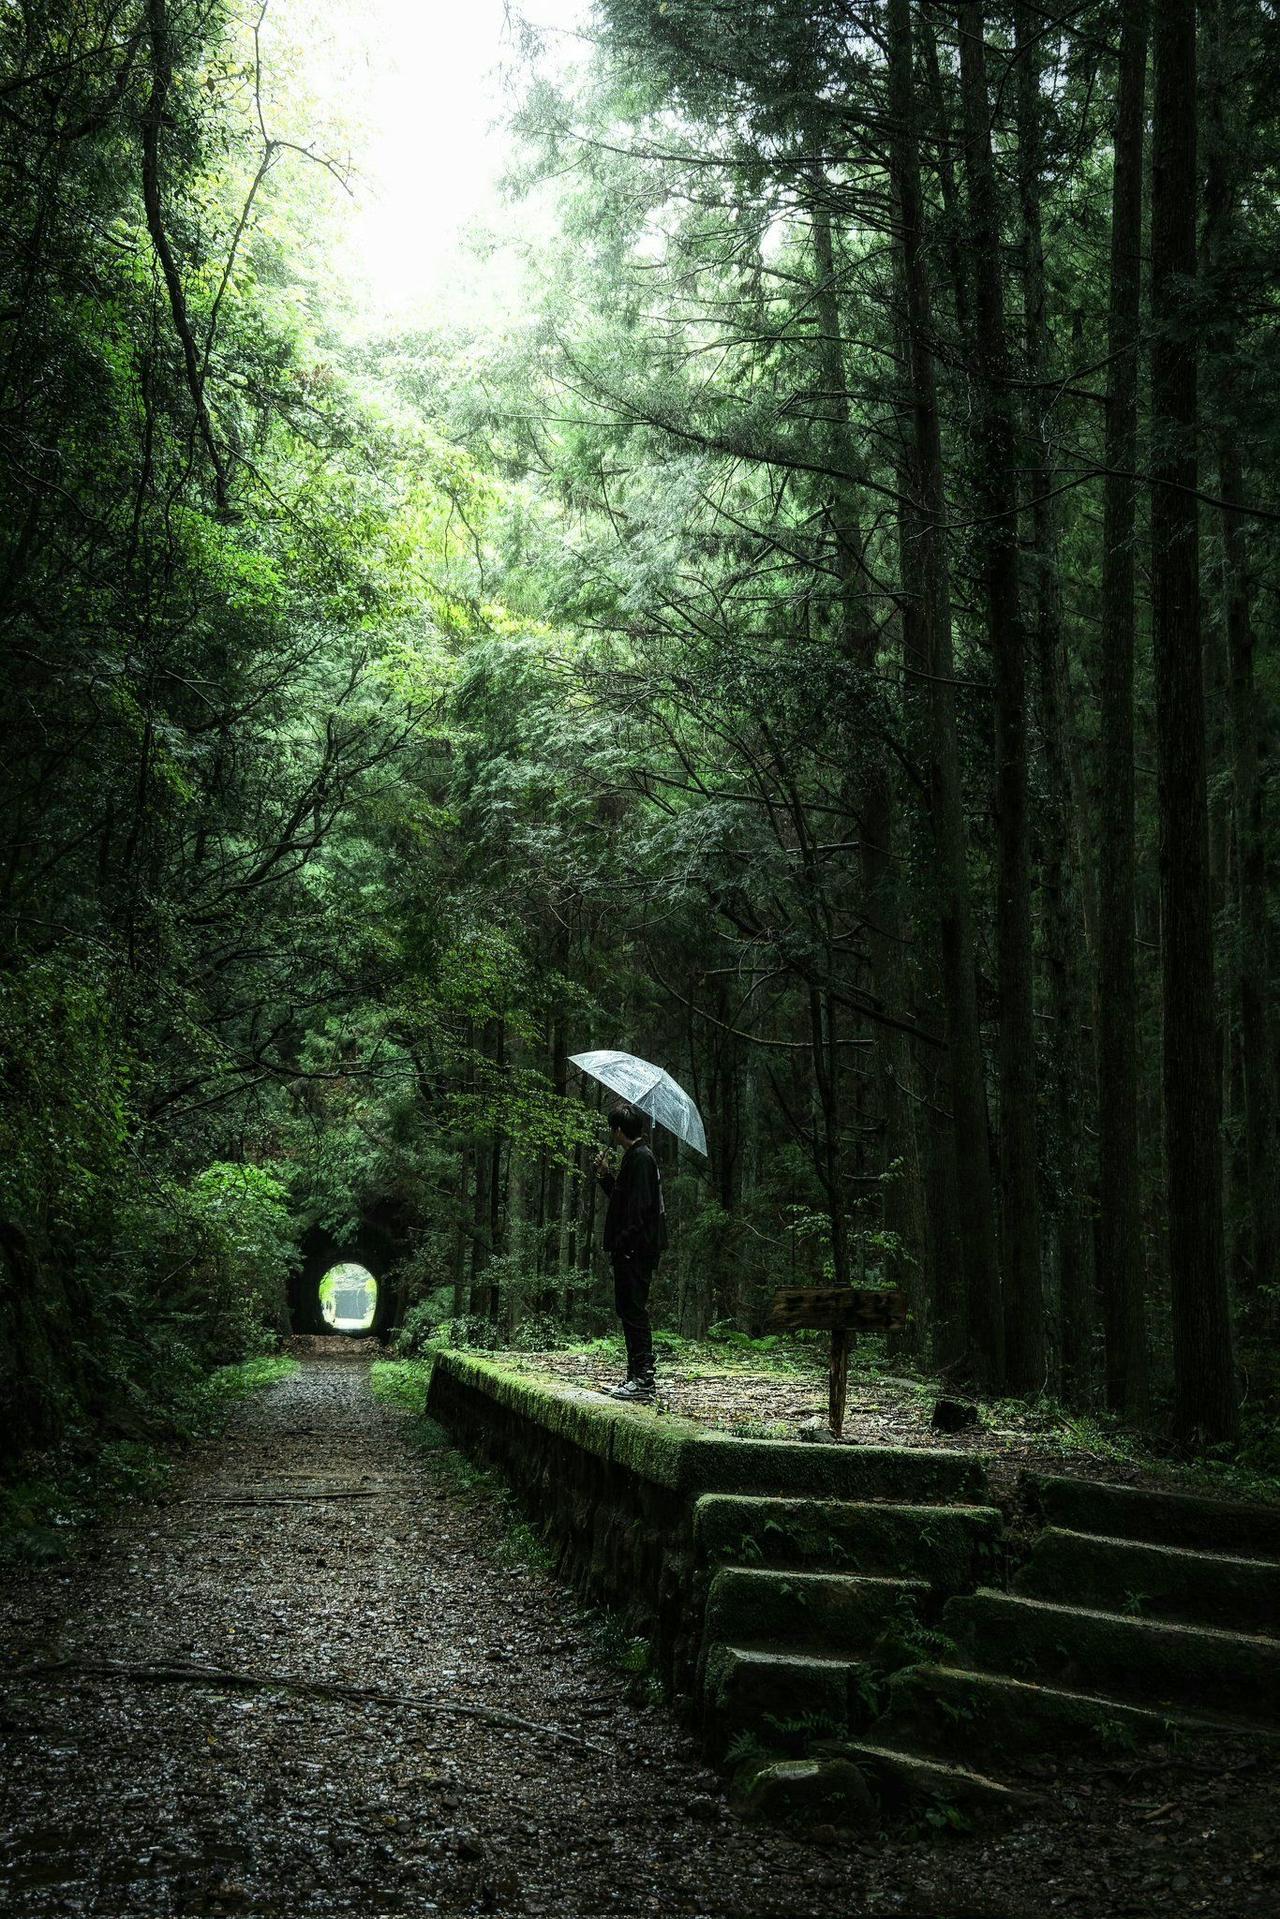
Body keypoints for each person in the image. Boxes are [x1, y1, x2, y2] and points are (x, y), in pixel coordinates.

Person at [594, 1102, 667, 1403]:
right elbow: (624, 1201)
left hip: (636, 1251)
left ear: (619, 1131)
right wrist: (605, 1176)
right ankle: (634, 1376)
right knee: (627, 1309)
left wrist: (624, 1246)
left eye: (613, 1129)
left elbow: (639, 1213)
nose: (611, 1134)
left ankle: (644, 1380)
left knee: (634, 1310)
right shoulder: (634, 1158)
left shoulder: (641, 1160)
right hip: (632, 1249)